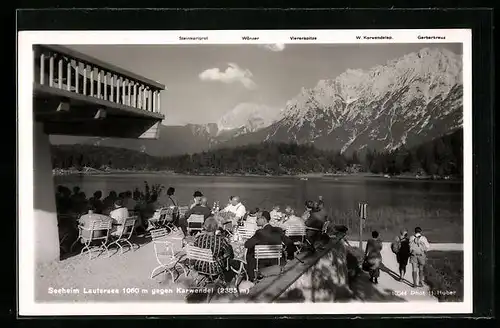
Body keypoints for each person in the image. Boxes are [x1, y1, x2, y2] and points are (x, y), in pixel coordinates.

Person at [244, 211, 295, 281]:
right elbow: (290, 243)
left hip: (260, 263)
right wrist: (290, 257)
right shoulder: (278, 230)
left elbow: (247, 245)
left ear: (264, 219)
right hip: (276, 261)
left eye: (258, 218)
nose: (256, 220)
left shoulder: (260, 233)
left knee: (249, 252)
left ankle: (251, 278)